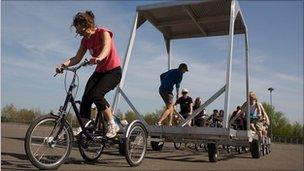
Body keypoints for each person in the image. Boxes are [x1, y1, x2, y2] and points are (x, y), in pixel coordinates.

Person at [56, 11, 122, 138]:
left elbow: (106, 48)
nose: (79, 33)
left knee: (97, 94)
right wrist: (63, 65)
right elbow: (77, 58)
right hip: (99, 72)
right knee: (86, 96)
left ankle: (112, 124)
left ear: (87, 24)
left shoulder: (103, 32)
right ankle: (84, 123)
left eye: (80, 29)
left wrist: (99, 58)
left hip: (113, 71)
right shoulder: (85, 41)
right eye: (77, 30)